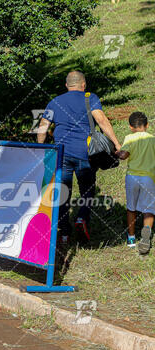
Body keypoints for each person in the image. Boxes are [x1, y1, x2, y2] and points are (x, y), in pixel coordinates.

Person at [37, 71, 121, 244]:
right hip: (86, 154)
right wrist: (117, 145)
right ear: (84, 85)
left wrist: (41, 150)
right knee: (87, 190)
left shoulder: (54, 102)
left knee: (62, 193)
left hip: (61, 154)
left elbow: (42, 127)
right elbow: (102, 120)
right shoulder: (89, 97)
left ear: (66, 86)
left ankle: (65, 233)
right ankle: (82, 219)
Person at [116, 111, 155, 254]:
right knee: (149, 209)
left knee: (131, 207)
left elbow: (124, 156)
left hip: (132, 177)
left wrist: (118, 152)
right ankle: (146, 234)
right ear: (147, 125)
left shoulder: (130, 138)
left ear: (131, 127)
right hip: (149, 178)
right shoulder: (152, 139)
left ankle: (131, 238)